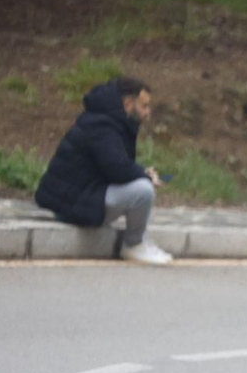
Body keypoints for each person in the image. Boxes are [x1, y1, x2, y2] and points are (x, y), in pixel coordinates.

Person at [34, 77, 171, 266]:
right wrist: (145, 175)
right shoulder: (102, 125)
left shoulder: (108, 119)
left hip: (79, 195)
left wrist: (139, 172)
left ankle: (142, 241)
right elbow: (117, 168)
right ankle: (133, 245)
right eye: (144, 106)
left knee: (140, 183)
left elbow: (114, 164)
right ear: (127, 103)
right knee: (143, 190)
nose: (148, 113)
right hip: (72, 202)